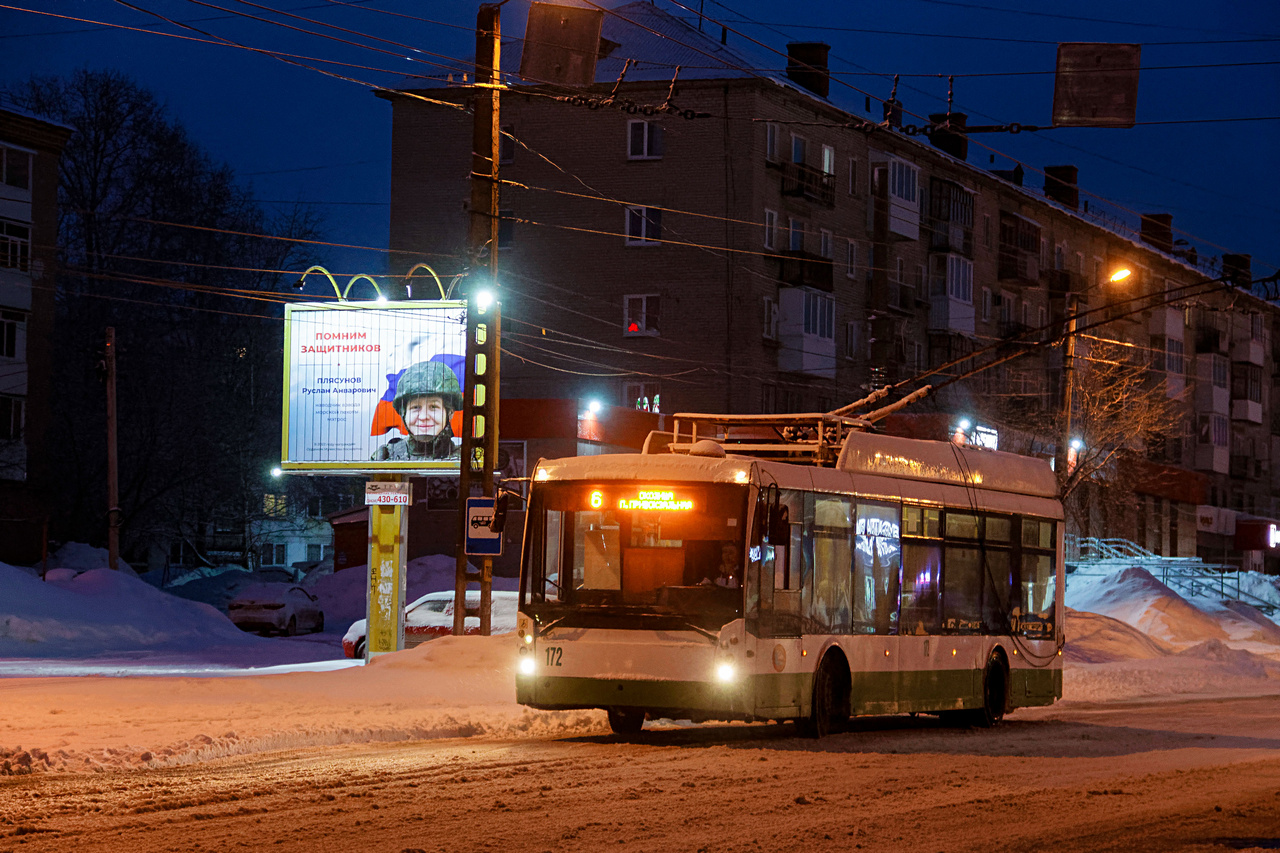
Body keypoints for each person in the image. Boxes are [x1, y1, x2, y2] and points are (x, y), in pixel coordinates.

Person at [371, 361, 462, 461]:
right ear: (403, 413)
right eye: (415, 407)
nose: (423, 417)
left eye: (433, 407)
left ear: (450, 413)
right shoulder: (384, 456)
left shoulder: (466, 459)